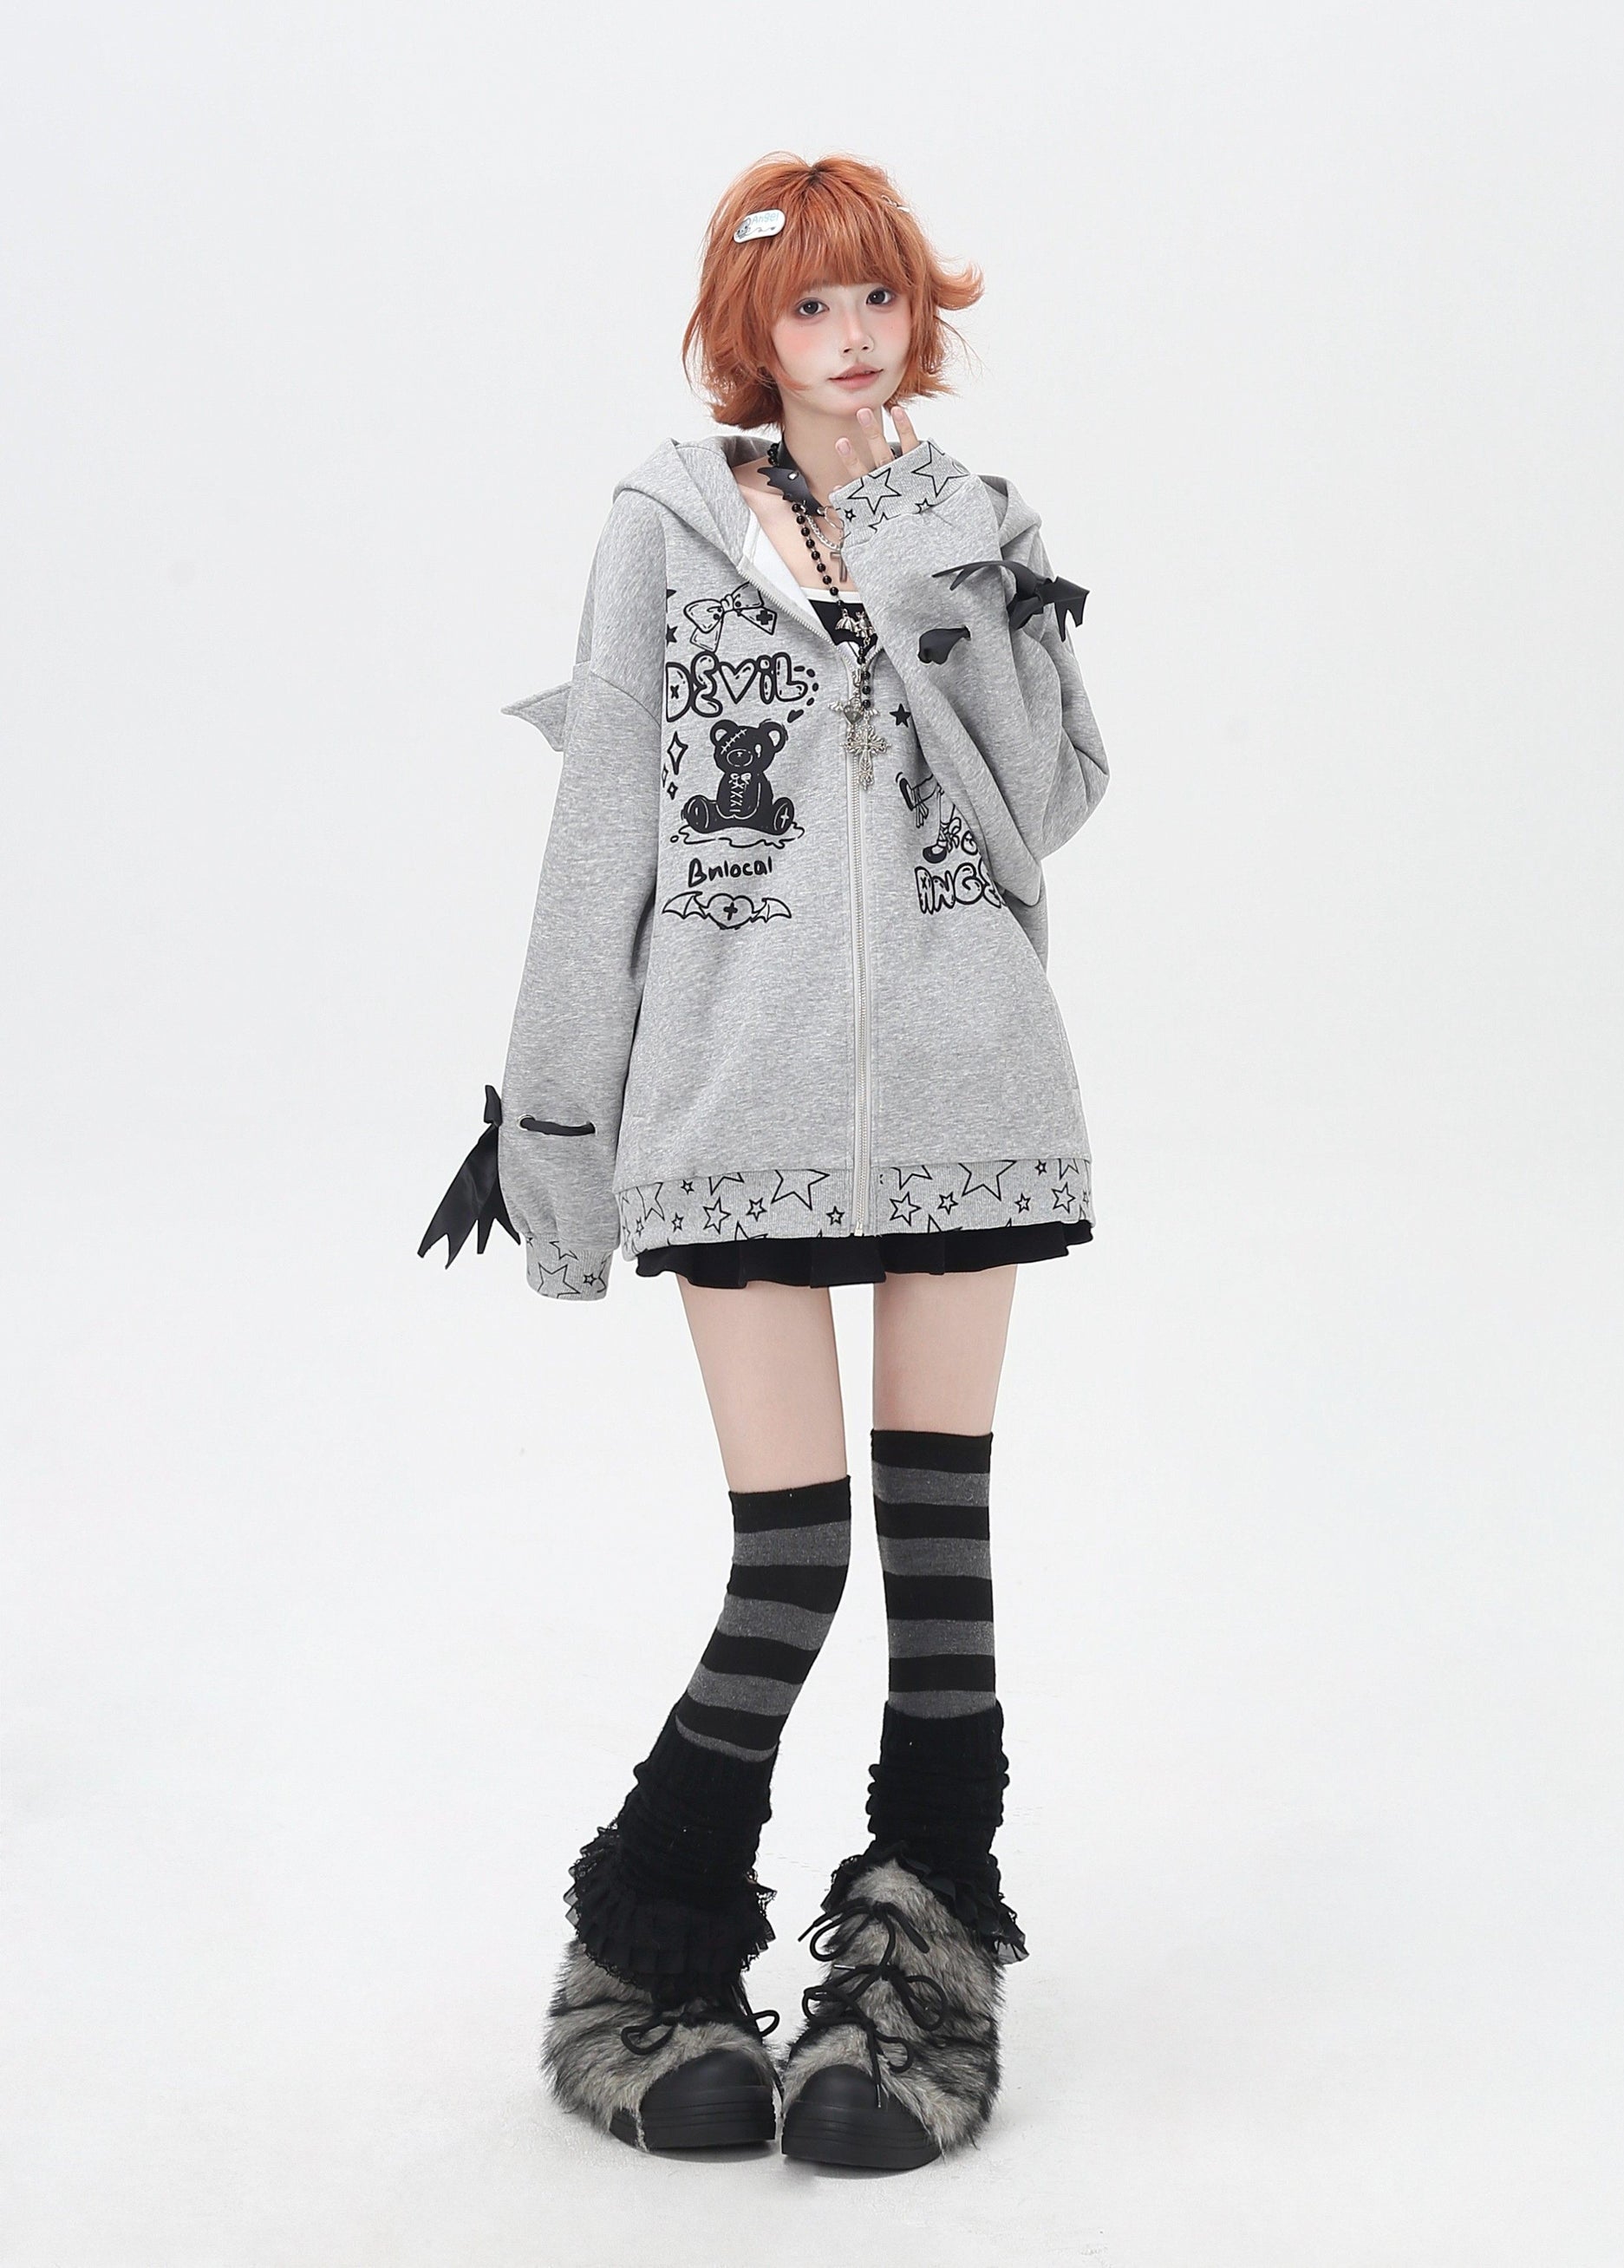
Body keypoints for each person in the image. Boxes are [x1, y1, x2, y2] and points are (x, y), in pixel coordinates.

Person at [419, 150, 1110, 2173]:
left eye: (877, 298)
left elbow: (1047, 799)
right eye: (810, 304)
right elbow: (602, 841)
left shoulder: (977, 522)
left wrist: (947, 584)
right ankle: (644, 1948)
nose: (851, 336)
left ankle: (920, 1962)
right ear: (754, 331)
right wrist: (553, 1123)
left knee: (943, 1557)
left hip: (972, 1078)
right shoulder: (667, 529)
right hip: (736, 1104)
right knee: (791, 1559)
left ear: (918, 315)